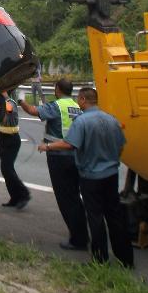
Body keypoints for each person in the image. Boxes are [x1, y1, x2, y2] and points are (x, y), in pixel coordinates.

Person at [38, 86, 133, 268]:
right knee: (115, 215)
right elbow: (121, 145)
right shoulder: (111, 119)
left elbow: (69, 144)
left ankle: (100, 260)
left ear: (82, 99)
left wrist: (47, 146)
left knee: (95, 217)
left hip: (91, 176)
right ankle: (126, 259)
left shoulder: (81, 122)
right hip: (111, 175)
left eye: (79, 99)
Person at [19, 78, 89, 250]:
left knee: (66, 199)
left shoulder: (56, 106)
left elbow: (33, 110)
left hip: (59, 157)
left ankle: (78, 240)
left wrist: (20, 100)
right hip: (76, 157)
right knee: (75, 197)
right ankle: (82, 234)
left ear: (57, 89)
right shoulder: (76, 106)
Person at [0, 90, 30, 209]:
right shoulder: (1, 103)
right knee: (6, 170)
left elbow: (7, 113)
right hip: (2, 139)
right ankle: (14, 198)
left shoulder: (10, 102)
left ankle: (24, 194)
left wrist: (2, 102)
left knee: (7, 169)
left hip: (11, 140)